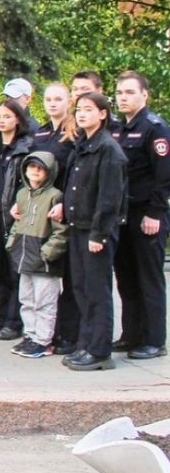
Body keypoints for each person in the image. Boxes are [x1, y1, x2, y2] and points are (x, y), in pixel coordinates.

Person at [58, 92, 127, 371]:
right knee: (81, 289)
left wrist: (99, 234)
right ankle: (85, 343)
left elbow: (110, 198)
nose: (82, 114)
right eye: (79, 110)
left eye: (89, 109)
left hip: (95, 232)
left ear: (103, 114)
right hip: (78, 227)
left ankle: (99, 351)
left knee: (97, 291)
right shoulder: (83, 145)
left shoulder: (108, 149)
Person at [111, 71, 170, 360]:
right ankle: (131, 334)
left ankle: (154, 340)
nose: (123, 97)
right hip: (123, 215)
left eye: (129, 92)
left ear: (145, 95)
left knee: (149, 278)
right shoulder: (119, 129)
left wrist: (155, 213)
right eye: (120, 92)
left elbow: (164, 176)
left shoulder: (154, 128)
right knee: (126, 277)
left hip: (147, 214)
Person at [0, 99, 33, 341]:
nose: (1, 121)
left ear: (18, 119)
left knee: (14, 271)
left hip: (14, 218)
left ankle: (13, 321)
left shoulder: (25, 147)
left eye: (7, 116)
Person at [31, 82, 79, 354]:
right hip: (42, 210)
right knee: (44, 274)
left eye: (58, 99)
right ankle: (46, 332)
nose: (52, 103)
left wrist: (65, 204)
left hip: (64, 208)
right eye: (48, 99)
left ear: (68, 101)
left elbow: (74, 174)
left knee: (70, 277)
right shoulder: (41, 132)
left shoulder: (73, 133)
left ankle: (68, 334)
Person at [6, 152, 68, 358]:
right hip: (24, 255)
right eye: (31, 167)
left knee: (45, 301)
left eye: (40, 168)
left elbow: (61, 231)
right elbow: (18, 222)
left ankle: (43, 340)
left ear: (49, 172)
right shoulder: (22, 194)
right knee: (27, 299)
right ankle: (31, 335)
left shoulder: (55, 196)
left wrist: (48, 252)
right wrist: (12, 243)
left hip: (43, 260)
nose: (34, 171)